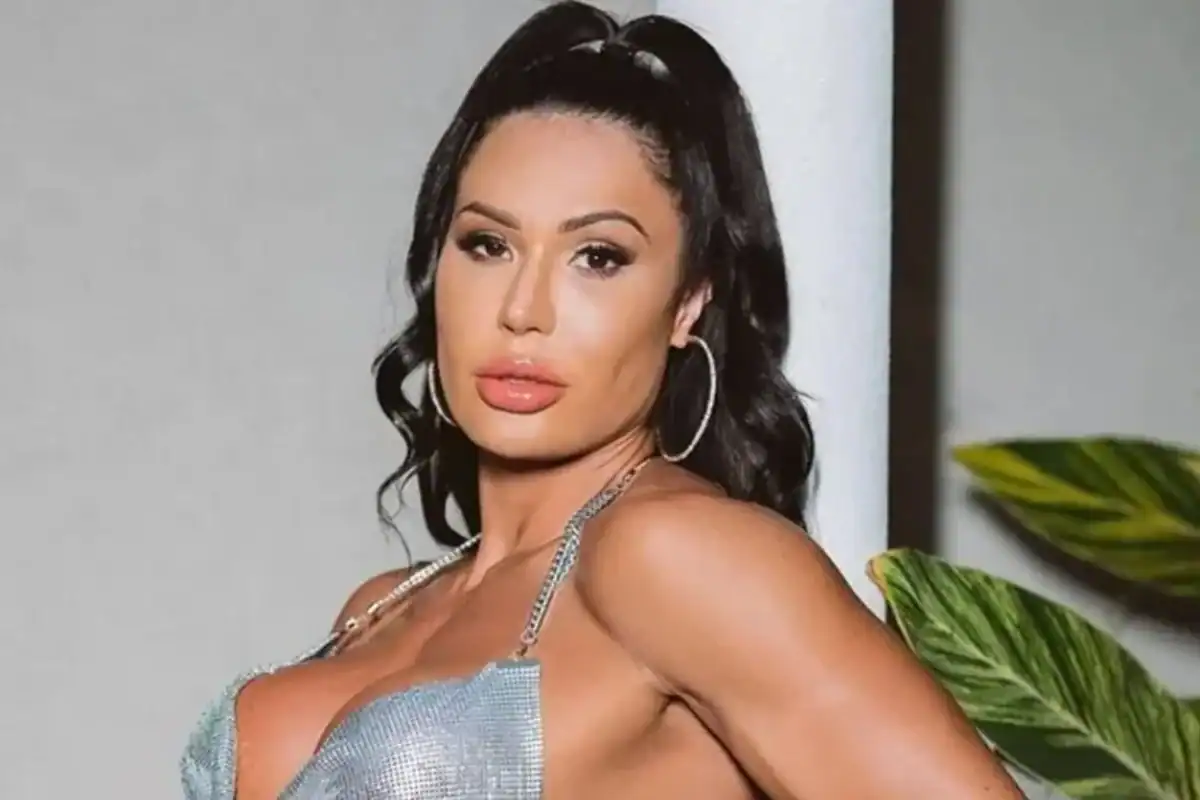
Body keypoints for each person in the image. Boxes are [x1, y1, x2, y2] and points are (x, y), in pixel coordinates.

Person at [181, 2, 1024, 798]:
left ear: (687, 303)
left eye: (599, 257)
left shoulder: (675, 554)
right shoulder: (383, 607)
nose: (524, 310)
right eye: (488, 244)